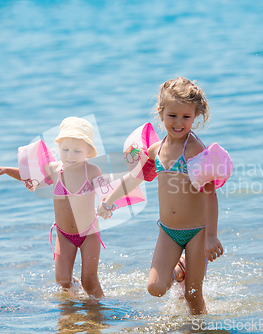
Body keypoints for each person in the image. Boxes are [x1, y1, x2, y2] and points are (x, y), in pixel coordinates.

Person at [97, 77, 227, 314]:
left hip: (197, 231)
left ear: (196, 116)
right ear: (161, 113)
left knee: (193, 298)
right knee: (155, 288)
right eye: (172, 116)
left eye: (186, 117)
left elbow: (210, 194)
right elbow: (134, 178)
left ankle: (199, 330)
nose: (179, 123)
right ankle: (180, 270)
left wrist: (211, 236)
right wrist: (109, 201)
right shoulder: (155, 150)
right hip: (168, 231)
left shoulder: (196, 150)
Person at [0, 117, 105, 298]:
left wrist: (106, 205)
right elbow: (29, 177)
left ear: (88, 152)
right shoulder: (54, 169)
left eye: (77, 151)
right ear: (58, 148)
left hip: (88, 233)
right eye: (65, 149)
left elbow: (106, 193)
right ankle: (72, 308)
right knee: (63, 281)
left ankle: (99, 307)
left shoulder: (93, 171)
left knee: (89, 280)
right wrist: (7, 170)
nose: (70, 155)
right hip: (64, 235)